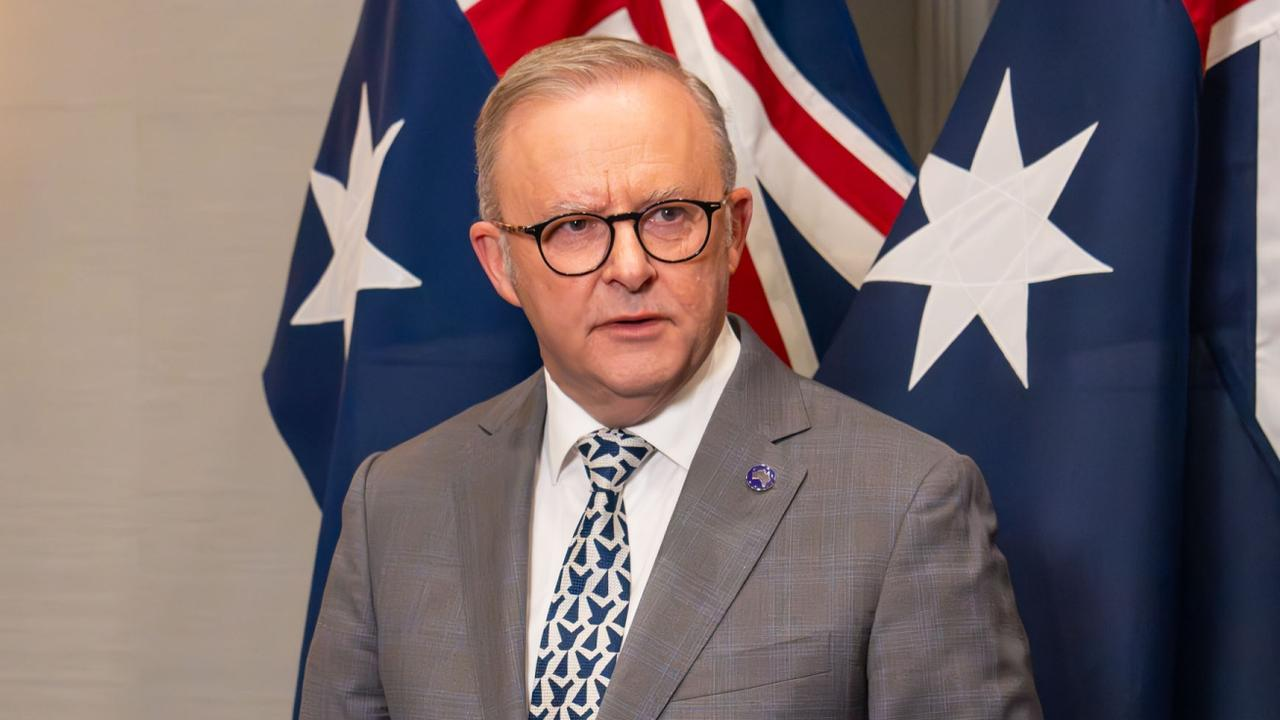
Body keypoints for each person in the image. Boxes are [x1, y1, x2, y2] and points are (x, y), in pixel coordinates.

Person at [301, 36, 1041, 720]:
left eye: (668, 215)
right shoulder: (394, 503)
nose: (630, 269)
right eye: (573, 227)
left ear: (733, 231)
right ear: (500, 264)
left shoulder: (906, 503)